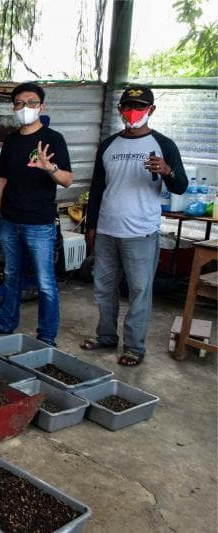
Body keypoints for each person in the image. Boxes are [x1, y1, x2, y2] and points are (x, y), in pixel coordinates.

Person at [81, 85, 187, 367]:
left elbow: (181, 186)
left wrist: (168, 171)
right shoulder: (109, 145)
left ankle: (134, 347)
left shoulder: (164, 145)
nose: (132, 112)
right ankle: (106, 336)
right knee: (104, 288)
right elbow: (97, 187)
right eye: (127, 107)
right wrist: (91, 226)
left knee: (140, 291)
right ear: (119, 110)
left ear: (151, 110)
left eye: (139, 107)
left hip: (141, 232)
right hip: (106, 230)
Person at [0, 82, 74, 346]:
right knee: (10, 276)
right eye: (19, 103)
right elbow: (3, 180)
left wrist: (49, 167)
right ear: (14, 107)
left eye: (31, 103)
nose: (25, 108)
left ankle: (47, 337)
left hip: (39, 224)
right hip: (9, 220)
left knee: (45, 283)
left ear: (41, 106)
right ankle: (6, 323)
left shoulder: (54, 139)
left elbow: (67, 180)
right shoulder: (11, 140)